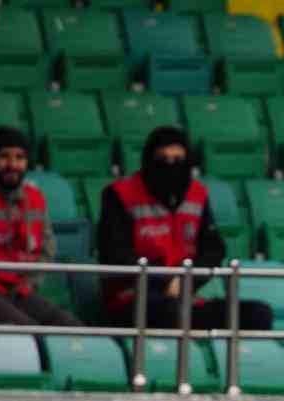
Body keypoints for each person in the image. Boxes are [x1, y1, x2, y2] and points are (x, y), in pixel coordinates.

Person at [98, 126, 271, 332]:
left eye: (178, 159)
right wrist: (163, 283)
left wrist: (186, 282)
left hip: (184, 296)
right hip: (132, 298)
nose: (170, 165)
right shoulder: (119, 194)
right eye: (163, 158)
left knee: (257, 314)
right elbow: (115, 254)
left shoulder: (197, 194)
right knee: (171, 311)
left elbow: (213, 250)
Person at [0, 126, 81, 327]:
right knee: (30, 333)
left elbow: (46, 250)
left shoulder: (35, 198)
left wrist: (29, 283)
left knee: (72, 328)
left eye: (20, 157)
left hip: (18, 292)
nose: (13, 164)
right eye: (4, 156)